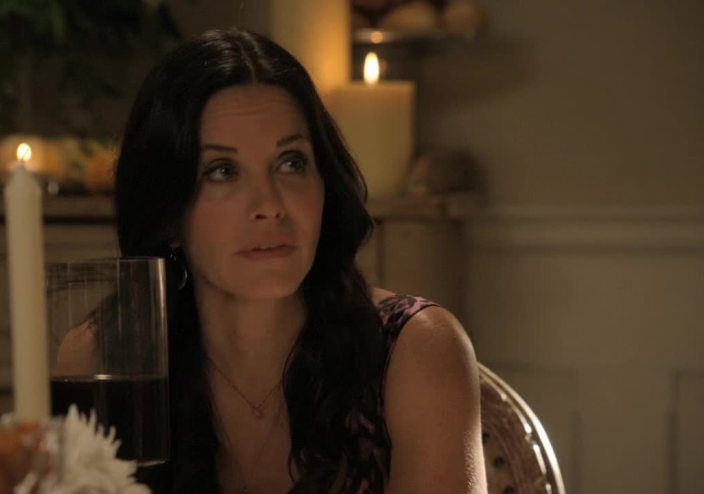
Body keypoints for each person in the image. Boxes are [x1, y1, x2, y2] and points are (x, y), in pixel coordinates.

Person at [114, 27, 486, 493]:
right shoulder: (112, 359)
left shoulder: (416, 351)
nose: (269, 205)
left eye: (291, 162)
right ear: (168, 214)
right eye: (223, 171)